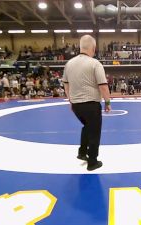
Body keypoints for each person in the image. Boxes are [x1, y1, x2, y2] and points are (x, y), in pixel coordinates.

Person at [62, 35, 111, 171]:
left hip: (77, 106)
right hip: (91, 104)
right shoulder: (95, 63)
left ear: (80, 47)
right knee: (95, 132)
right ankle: (92, 162)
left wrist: (71, 101)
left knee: (87, 127)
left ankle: (82, 152)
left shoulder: (69, 64)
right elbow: (103, 85)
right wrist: (107, 102)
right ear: (93, 48)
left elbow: (66, 85)